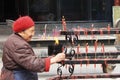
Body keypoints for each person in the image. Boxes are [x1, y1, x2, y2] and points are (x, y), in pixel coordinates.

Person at [0, 16, 65, 80]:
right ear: (21, 32)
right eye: (31, 31)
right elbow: (33, 64)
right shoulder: (19, 45)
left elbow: (28, 59)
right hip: (17, 76)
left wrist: (51, 58)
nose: (33, 34)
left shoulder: (13, 38)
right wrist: (54, 59)